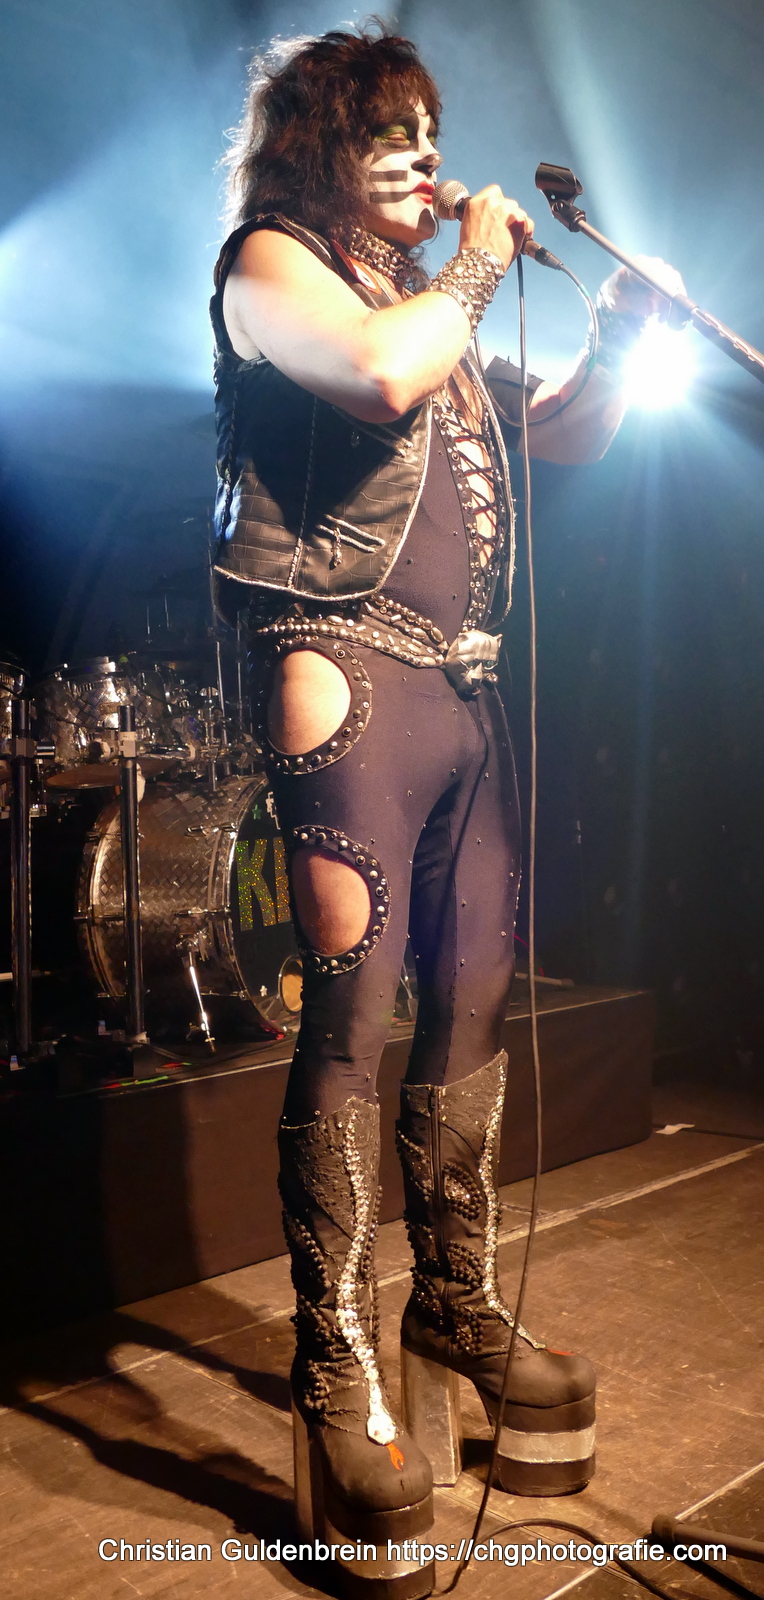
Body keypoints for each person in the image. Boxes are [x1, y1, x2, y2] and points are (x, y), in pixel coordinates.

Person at [210, 26, 683, 1595]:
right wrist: (478, 254)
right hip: (343, 668)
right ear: (319, 149)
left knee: (474, 1001)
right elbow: (377, 372)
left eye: (432, 131)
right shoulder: (272, 266)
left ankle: (454, 1301)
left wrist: (617, 330)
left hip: (463, 688)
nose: (425, 154)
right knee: (355, 1019)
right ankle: (334, 1357)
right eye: (389, 135)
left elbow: (565, 434)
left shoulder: (441, 314)